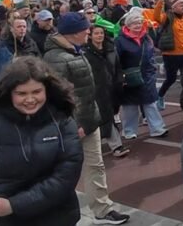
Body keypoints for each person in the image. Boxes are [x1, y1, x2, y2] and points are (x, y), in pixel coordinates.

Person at [40, 13, 130, 225]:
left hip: (90, 119)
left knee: (96, 166)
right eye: (85, 29)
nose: (89, 32)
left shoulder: (76, 50)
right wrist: (75, 123)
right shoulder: (55, 57)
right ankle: (56, 212)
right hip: (72, 125)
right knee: (65, 171)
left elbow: (86, 89)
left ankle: (102, 209)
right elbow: (58, 96)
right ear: (73, 32)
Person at [0, 57, 84, 225]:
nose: (30, 99)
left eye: (36, 92)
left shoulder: (62, 120)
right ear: (9, 93)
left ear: (47, 90)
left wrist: (15, 205)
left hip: (56, 216)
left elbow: (66, 176)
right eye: (21, 93)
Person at [114, 9, 168, 139]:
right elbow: (116, 60)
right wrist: (120, 76)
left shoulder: (147, 37)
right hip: (129, 77)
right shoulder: (119, 40)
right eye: (134, 23)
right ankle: (129, 131)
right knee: (130, 106)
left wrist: (153, 69)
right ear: (128, 25)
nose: (138, 25)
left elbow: (151, 54)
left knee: (150, 103)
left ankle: (157, 129)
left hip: (147, 76)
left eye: (139, 22)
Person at [84, 25, 130, 158]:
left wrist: (120, 80)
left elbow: (118, 67)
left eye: (101, 33)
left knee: (107, 115)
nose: (100, 35)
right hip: (96, 90)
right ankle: (116, 146)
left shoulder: (111, 49)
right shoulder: (85, 53)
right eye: (96, 33)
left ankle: (103, 143)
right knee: (105, 116)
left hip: (112, 88)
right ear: (90, 36)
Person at [151, 0, 183, 110]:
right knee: (171, 78)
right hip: (170, 54)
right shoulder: (168, 17)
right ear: (173, 7)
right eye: (180, 5)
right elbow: (156, 17)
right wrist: (160, 2)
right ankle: (160, 95)